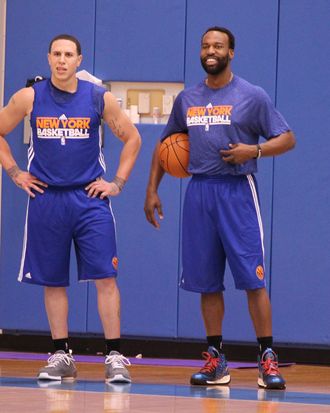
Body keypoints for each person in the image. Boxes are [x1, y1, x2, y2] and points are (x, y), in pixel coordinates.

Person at [144, 26, 295, 389]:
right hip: (200, 192)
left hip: (238, 191)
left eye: (218, 46)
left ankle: (267, 358)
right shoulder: (187, 99)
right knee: (207, 282)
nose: (211, 50)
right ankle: (215, 359)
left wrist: (254, 150)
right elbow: (166, 145)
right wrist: (152, 189)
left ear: (231, 52)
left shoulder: (251, 95)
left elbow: (287, 138)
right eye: (206, 45)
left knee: (252, 280)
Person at [0, 34, 141, 383]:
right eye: (57, 54)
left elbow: (133, 138)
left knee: (105, 277)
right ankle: (62, 353)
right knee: (53, 280)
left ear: (79, 60)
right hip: (47, 198)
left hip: (89, 198)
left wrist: (117, 183)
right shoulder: (29, 97)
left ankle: (114, 356)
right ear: (48, 58)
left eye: (69, 55)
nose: (62, 60)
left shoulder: (97, 97)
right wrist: (15, 172)